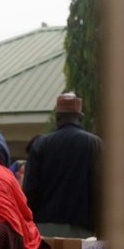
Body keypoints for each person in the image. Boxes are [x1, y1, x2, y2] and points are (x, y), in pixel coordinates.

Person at [23, 93, 102, 238]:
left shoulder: (41, 144)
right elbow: (100, 190)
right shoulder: (95, 144)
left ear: (57, 117)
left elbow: (30, 190)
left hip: (44, 229)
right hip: (82, 231)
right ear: (80, 117)